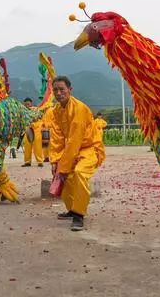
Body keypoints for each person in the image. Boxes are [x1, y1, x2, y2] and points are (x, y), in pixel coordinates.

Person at [48, 76, 105, 231]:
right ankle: (72, 209)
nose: (59, 93)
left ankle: (79, 214)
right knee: (65, 178)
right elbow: (57, 138)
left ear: (70, 90)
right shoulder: (56, 111)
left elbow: (75, 139)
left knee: (78, 173)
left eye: (62, 89)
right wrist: (55, 161)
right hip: (72, 151)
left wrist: (62, 165)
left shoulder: (79, 109)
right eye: (56, 90)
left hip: (88, 149)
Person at [21, 98, 45, 167]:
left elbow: (39, 117)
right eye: (25, 104)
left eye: (28, 104)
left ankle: (40, 161)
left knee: (37, 146)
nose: (27, 105)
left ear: (31, 103)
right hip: (28, 129)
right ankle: (27, 162)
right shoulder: (23, 112)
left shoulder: (36, 109)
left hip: (36, 129)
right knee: (27, 146)